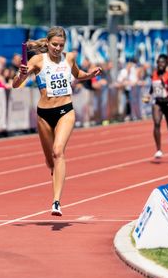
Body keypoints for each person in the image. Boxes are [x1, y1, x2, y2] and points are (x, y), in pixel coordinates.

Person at [12, 26, 102, 216]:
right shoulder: (37, 60)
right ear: (48, 43)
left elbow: (78, 75)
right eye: (54, 45)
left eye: (61, 45)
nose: (57, 49)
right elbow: (16, 84)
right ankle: (55, 172)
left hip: (65, 111)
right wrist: (21, 75)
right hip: (44, 113)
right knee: (50, 161)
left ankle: (56, 202)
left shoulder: (69, 58)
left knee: (58, 152)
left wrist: (90, 75)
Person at [142, 54, 168, 159]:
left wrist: (166, 85)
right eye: (159, 62)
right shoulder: (153, 75)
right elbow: (152, 88)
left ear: (166, 64)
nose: (160, 64)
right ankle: (158, 149)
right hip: (157, 102)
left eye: (163, 62)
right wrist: (148, 96)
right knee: (156, 124)